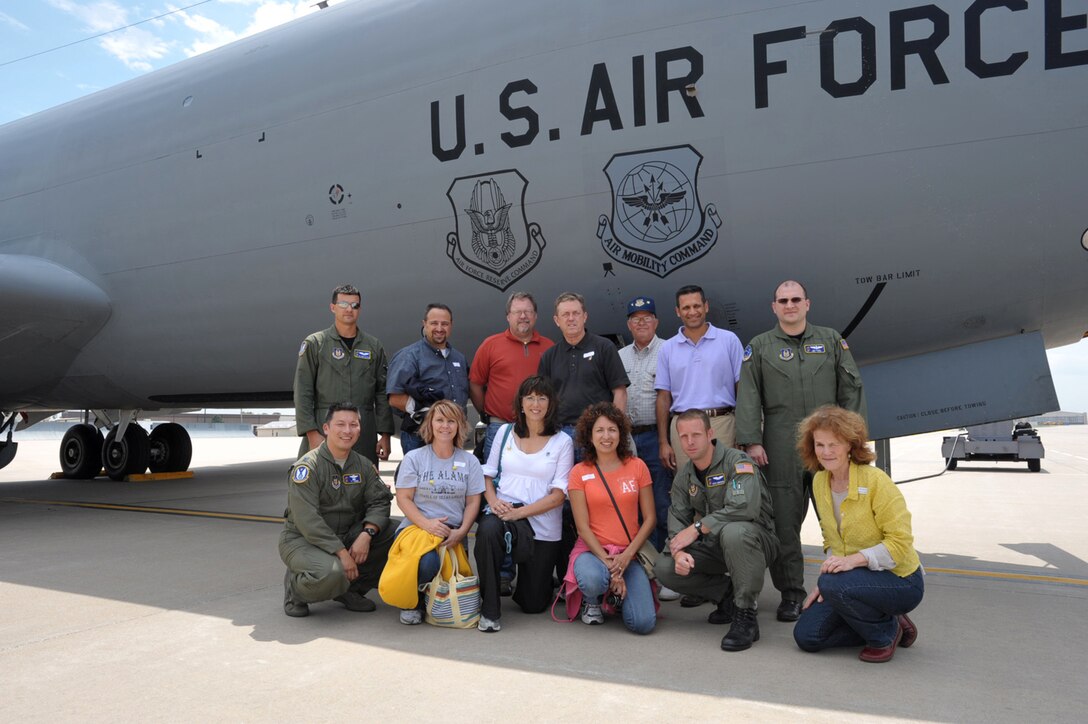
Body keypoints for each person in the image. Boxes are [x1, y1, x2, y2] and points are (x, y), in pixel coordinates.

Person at [735, 280, 866, 623]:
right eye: (783, 300)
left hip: (829, 446)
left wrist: (852, 439)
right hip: (780, 445)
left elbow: (851, 387)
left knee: (841, 521)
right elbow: (748, 395)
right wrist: (752, 440)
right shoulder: (759, 347)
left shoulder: (831, 340)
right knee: (784, 526)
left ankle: (843, 588)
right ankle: (791, 594)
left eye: (796, 300)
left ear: (807, 304)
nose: (789, 305)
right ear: (773, 307)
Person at [792, 406, 922, 663]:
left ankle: (884, 634)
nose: (826, 452)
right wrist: (828, 577)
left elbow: (900, 542)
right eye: (819, 445)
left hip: (900, 579)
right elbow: (832, 540)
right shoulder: (819, 481)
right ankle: (884, 619)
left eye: (834, 444)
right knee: (806, 636)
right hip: (850, 581)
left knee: (832, 585)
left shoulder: (875, 480)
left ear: (850, 445)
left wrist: (850, 563)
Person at [653, 410, 778, 651]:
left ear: (710, 434)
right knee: (665, 567)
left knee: (735, 532)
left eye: (696, 435)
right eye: (684, 436)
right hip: (716, 546)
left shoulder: (737, 462)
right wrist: (679, 553)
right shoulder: (684, 477)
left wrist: (698, 528)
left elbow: (745, 509)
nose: (690, 442)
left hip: (755, 541)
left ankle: (746, 615)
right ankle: (726, 595)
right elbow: (677, 522)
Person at [474, 376, 574, 632]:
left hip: (540, 521)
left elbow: (558, 495)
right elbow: (487, 473)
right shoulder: (505, 432)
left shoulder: (563, 441)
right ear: (520, 403)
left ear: (551, 404)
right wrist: (494, 502)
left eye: (542, 397)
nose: (535, 403)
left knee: (532, 603)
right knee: (487, 530)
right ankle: (489, 610)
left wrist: (520, 513)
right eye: (529, 397)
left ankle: (537, 581)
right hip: (505, 512)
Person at [279, 402, 395, 617]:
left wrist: (367, 534)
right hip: (303, 539)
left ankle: (350, 589)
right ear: (326, 428)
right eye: (340, 424)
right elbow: (308, 521)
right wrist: (343, 554)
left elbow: (380, 501)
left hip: (346, 534)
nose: (347, 430)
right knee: (332, 574)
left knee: (398, 534)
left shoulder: (362, 465)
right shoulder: (307, 468)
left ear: (360, 429)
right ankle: (295, 589)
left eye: (354, 424)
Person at [563, 402, 657, 635]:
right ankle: (592, 599)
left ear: (621, 433)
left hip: (629, 554)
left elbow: (650, 518)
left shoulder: (637, 467)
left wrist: (626, 557)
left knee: (643, 624)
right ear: (589, 436)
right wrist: (610, 564)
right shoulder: (579, 472)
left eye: (612, 429)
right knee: (594, 579)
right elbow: (582, 527)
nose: (607, 436)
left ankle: (616, 597)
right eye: (600, 430)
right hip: (592, 552)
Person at [388, 400, 484, 625]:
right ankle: (412, 601)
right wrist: (427, 524)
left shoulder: (470, 461)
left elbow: (473, 502)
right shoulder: (414, 458)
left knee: (449, 575)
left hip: (453, 534)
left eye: (451, 421)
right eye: (439, 420)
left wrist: (461, 531)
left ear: (460, 425)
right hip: (417, 529)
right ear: (430, 424)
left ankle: (433, 598)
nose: (445, 426)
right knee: (428, 563)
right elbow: (403, 498)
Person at [617, 295, 680, 601]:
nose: (641, 323)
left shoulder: (670, 350)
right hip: (628, 439)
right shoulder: (620, 356)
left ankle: (665, 572)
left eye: (647, 317)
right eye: (635, 318)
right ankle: (643, 568)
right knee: (634, 507)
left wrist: (667, 441)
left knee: (661, 504)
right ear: (629, 324)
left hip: (659, 437)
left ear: (656, 322)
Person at [294, 284, 393, 466]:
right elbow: (303, 391)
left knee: (363, 484)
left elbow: (382, 393)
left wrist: (385, 434)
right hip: (325, 429)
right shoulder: (316, 344)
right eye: (343, 304)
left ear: (360, 309)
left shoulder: (373, 346)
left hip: (363, 431)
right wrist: (312, 433)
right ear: (333, 307)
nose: (349, 309)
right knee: (322, 482)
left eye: (355, 305)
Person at [655, 284, 745, 470]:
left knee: (728, 485)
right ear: (678, 312)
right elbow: (663, 398)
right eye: (686, 308)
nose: (692, 312)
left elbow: (742, 389)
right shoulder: (667, 349)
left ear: (706, 306)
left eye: (696, 306)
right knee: (691, 489)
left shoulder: (729, 340)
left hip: (722, 425)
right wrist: (663, 442)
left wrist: (744, 434)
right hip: (682, 427)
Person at [538, 292, 629, 452]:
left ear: (585, 316)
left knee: (599, 477)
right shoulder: (549, 356)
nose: (571, 318)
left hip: (598, 432)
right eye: (565, 314)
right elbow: (541, 399)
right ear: (556, 320)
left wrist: (614, 429)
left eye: (576, 313)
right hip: (561, 434)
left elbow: (620, 392)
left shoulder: (604, 347)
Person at [469, 291, 554, 462]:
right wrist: (487, 412)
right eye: (517, 312)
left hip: (537, 428)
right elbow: (475, 384)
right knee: (494, 478)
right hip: (500, 426)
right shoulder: (490, 345)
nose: (523, 316)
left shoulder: (549, 347)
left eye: (528, 312)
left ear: (535, 316)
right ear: (508, 316)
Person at [387, 303, 470, 454]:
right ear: (424, 324)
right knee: (420, 477)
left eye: (444, 324)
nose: (439, 328)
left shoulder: (459, 358)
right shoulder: (409, 356)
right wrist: (426, 413)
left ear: (451, 325)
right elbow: (394, 398)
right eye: (434, 323)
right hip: (419, 437)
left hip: (452, 436)